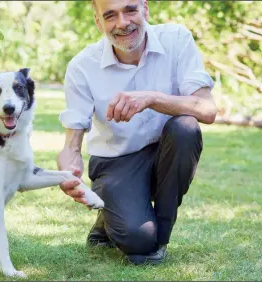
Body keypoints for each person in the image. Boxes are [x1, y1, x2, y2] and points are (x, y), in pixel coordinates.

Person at [56, 0, 217, 265]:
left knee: (186, 127)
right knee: (136, 238)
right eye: (110, 16)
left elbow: (207, 110)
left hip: (166, 152)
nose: (122, 23)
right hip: (116, 162)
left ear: (145, 9)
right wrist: (69, 173)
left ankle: (159, 242)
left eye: (130, 10)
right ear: (98, 22)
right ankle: (111, 218)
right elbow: (71, 146)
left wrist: (152, 98)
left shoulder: (176, 39)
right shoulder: (82, 66)